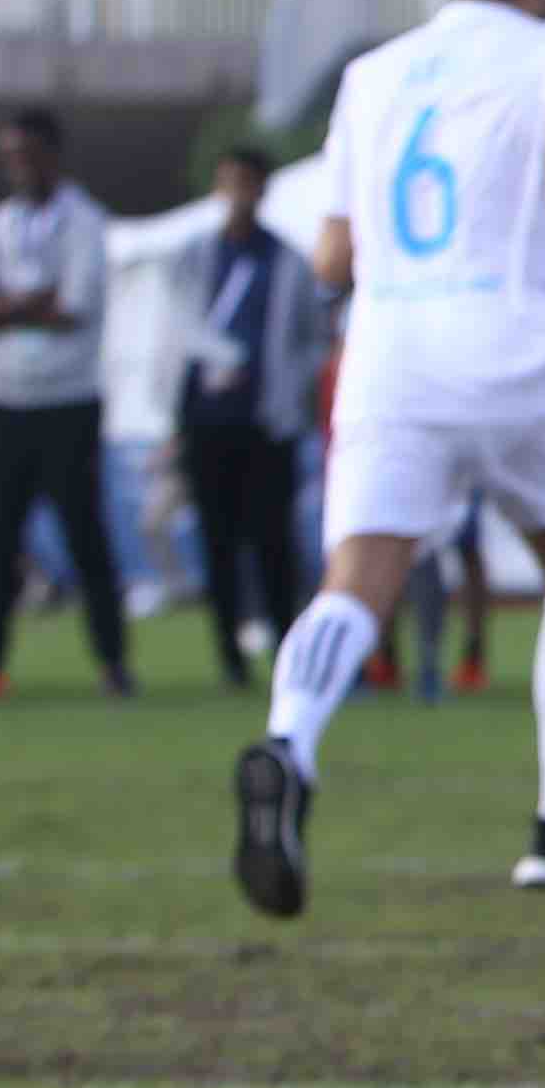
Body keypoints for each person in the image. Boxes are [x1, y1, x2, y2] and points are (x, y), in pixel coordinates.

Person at [231, 0, 545, 914]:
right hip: (514, 348)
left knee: (355, 581)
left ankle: (289, 743)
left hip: (391, 360)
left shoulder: (372, 75)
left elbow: (332, 255)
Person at [0, 103, 128, 698]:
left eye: (26, 155)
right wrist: (30, 302)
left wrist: (6, 304)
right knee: (0, 541)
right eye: (9, 157)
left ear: (52, 155)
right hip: (7, 400)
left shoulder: (84, 220)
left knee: (85, 535)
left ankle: (113, 662)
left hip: (67, 401)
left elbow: (72, 308)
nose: (17, 167)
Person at [166, 146, 325, 692]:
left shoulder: (287, 261)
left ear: (261, 189)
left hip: (266, 422)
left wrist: (288, 386)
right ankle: (229, 655)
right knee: (218, 541)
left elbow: (311, 339)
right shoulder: (195, 256)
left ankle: (285, 646)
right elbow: (178, 328)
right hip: (208, 419)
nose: (237, 194)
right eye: (229, 182)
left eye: (247, 183)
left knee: (272, 540)